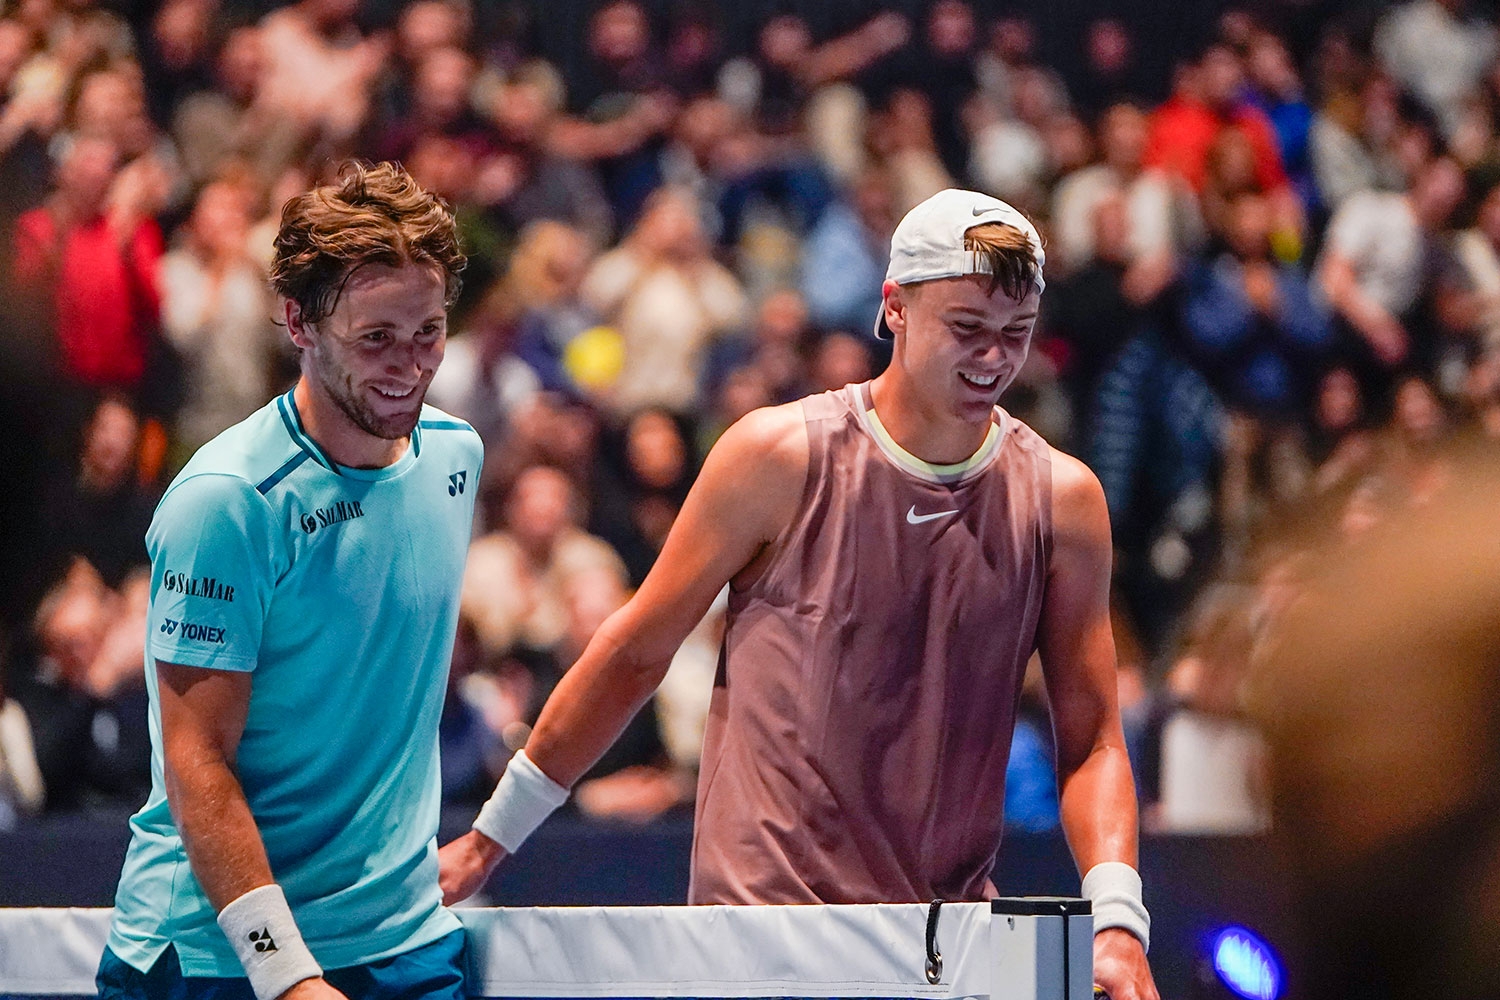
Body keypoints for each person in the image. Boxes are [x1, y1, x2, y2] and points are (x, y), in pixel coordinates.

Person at [441, 188, 1159, 1000]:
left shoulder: (1063, 500)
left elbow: (1094, 738)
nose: (993, 359)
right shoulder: (776, 456)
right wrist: (489, 840)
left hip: (944, 949)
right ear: (893, 308)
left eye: (1015, 335)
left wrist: (1119, 923)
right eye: (966, 329)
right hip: (759, 941)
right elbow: (634, 652)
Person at [97, 161, 480, 1000]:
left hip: (405, 941)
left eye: (428, 332)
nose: (409, 366)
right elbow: (198, 761)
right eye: (375, 337)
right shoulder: (227, 500)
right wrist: (286, 976)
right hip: (220, 955)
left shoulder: (456, 455)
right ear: (298, 323)